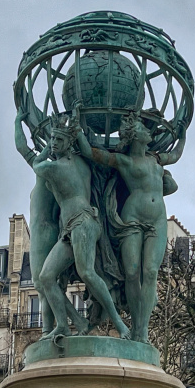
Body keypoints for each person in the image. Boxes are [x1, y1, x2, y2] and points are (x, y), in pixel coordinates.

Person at [74, 110, 186, 342]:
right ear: (134, 133)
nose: (149, 132)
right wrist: (77, 129)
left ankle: (141, 330)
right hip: (132, 218)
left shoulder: (155, 159)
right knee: (133, 273)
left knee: (151, 272)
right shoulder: (123, 161)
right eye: (145, 128)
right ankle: (135, 324)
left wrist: (182, 133)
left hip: (156, 219)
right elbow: (89, 153)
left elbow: (175, 155)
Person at [32, 113, 130, 341]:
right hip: (72, 228)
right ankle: (71, 324)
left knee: (87, 272)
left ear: (68, 143)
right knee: (46, 277)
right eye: (52, 140)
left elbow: (37, 164)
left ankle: (120, 325)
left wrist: (46, 146)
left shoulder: (56, 168)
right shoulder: (82, 163)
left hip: (83, 222)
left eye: (58, 141)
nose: (54, 145)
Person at [14, 108, 89, 336]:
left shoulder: (49, 172)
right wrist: (19, 119)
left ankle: (64, 324)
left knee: (42, 282)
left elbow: (24, 150)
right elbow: (21, 147)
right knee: (46, 283)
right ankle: (51, 328)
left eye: (57, 140)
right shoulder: (51, 171)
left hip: (45, 232)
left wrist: (21, 120)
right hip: (46, 232)